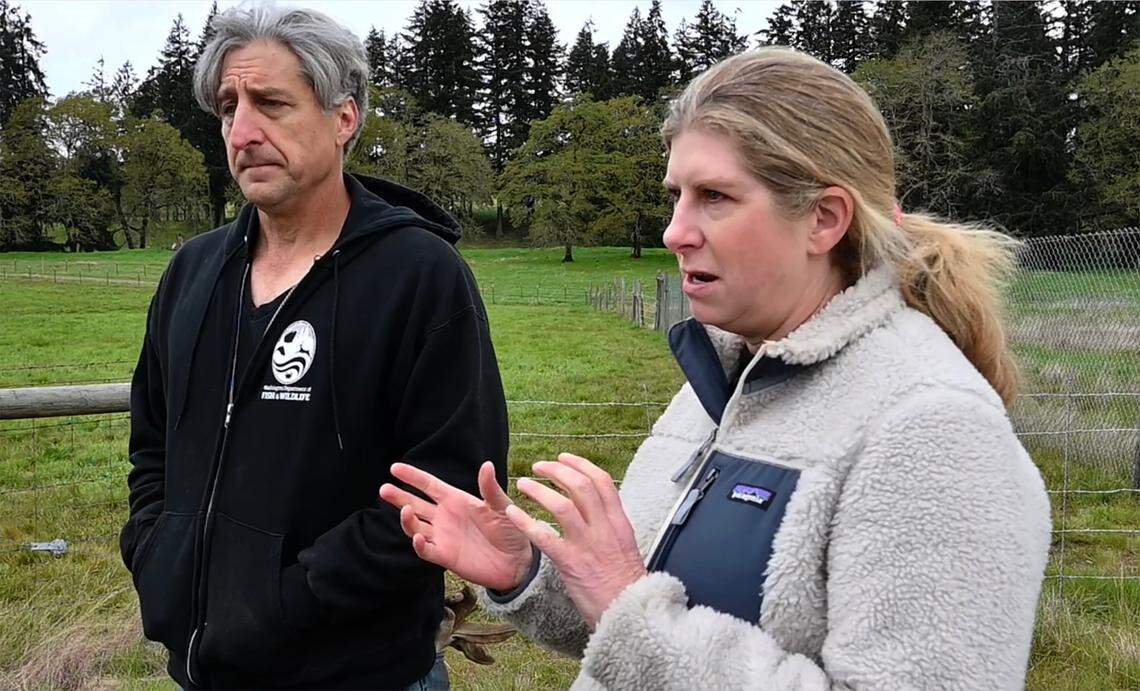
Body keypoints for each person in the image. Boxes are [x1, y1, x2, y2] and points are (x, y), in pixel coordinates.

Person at [380, 47, 1051, 689]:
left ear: (825, 218)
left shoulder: (933, 429)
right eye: (676, 194)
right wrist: (528, 572)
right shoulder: (721, 380)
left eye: (716, 197)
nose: (674, 230)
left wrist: (631, 604)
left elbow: (643, 616)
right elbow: (632, 624)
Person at [118, 5, 508, 689]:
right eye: (227, 108)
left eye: (270, 103)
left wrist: (284, 604)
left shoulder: (419, 276)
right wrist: (156, 551)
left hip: (362, 672)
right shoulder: (192, 272)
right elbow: (153, 442)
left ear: (343, 117)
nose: (243, 132)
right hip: (206, 672)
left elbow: (445, 488)